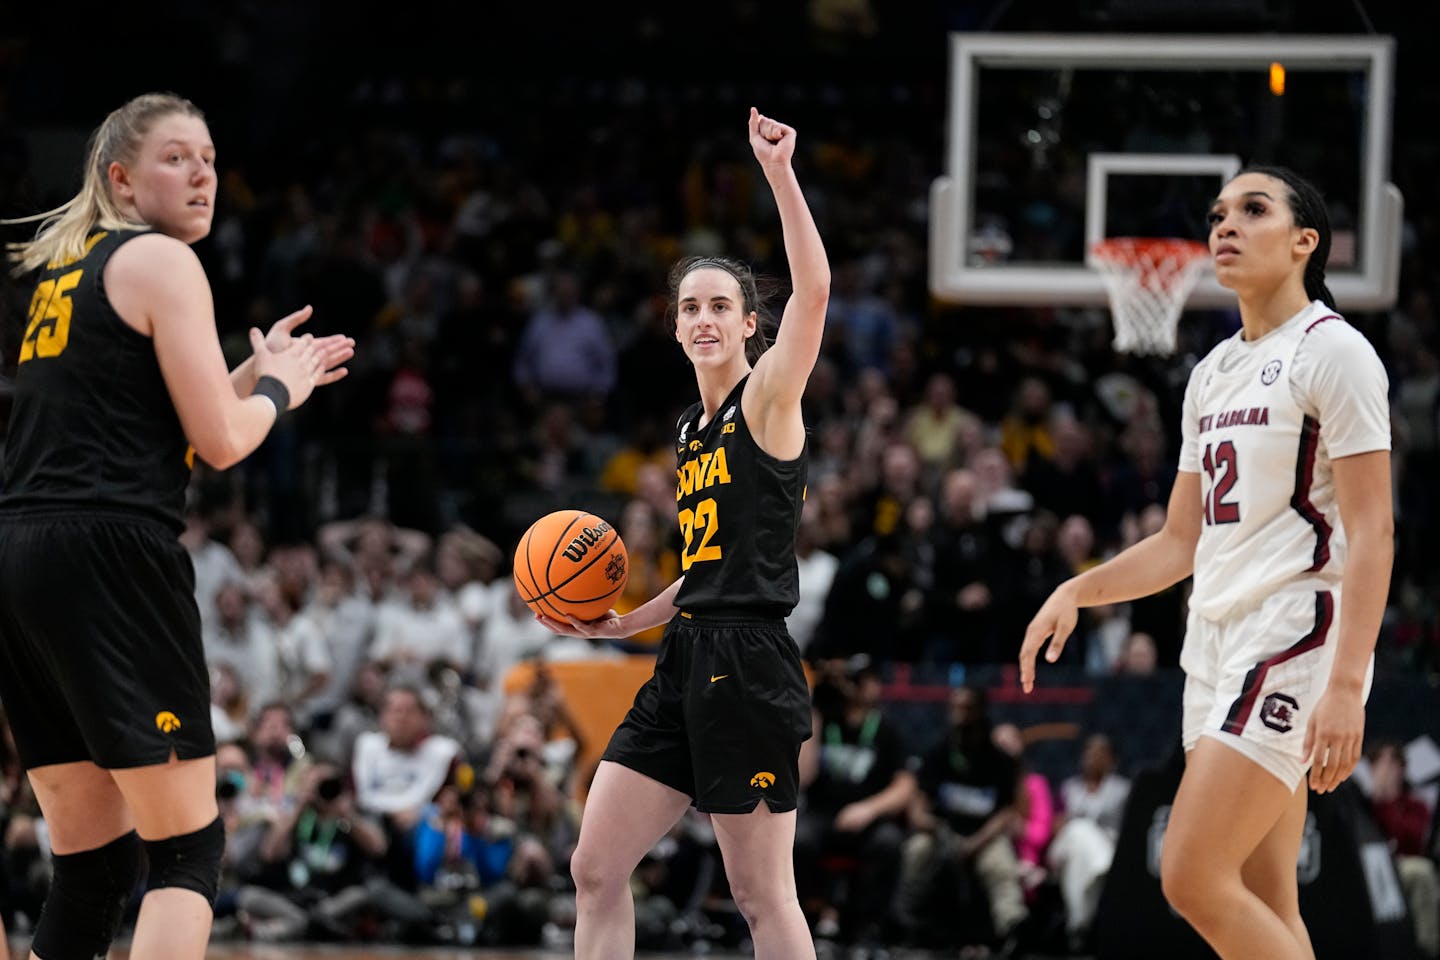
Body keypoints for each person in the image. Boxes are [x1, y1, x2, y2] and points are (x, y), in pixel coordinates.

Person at [0, 92, 354, 960]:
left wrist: (249, 371)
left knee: (92, 863)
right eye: (175, 158)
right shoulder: (161, 261)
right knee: (188, 852)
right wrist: (281, 390)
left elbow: (146, 424)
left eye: (210, 159)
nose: (201, 174)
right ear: (120, 178)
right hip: (109, 556)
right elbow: (224, 444)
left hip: (22, 554)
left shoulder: (72, 269)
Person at [1020, 165, 1393, 960]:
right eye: (1219, 212)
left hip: (1292, 629)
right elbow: (1178, 544)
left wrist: (1348, 688)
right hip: (1215, 645)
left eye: (1252, 210)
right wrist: (1078, 589)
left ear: (1304, 241)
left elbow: (1374, 531)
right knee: (1262, 899)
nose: (1224, 224)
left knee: (1189, 875)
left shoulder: (1336, 354)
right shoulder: (1212, 373)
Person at [535, 108, 828, 959]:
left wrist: (779, 174)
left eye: (721, 307)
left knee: (762, 896)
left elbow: (814, 293)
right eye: (690, 307)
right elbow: (705, 566)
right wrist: (627, 622)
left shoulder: (769, 400)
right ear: (674, 327)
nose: (704, 318)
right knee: (595, 865)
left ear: (748, 326)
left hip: (751, 662)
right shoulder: (690, 432)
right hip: (685, 656)